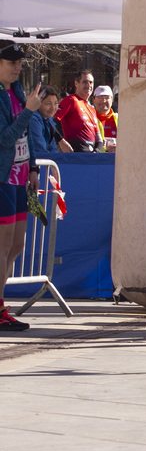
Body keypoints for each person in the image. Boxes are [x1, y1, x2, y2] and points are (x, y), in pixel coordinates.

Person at [0, 41, 44, 331]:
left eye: (19, 63)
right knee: (2, 247)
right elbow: (4, 139)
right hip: (2, 179)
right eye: (11, 63)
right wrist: (29, 111)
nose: (17, 68)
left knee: (17, 245)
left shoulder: (16, 92)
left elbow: (24, 136)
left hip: (19, 179)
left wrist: (33, 168)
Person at [56, 69, 103, 152]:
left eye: (91, 82)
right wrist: (61, 141)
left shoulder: (92, 109)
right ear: (76, 83)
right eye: (85, 82)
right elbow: (51, 121)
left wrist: (97, 151)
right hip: (75, 156)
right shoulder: (71, 100)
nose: (88, 85)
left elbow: (99, 139)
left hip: (91, 156)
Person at [28, 85, 71, 154]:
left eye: (56, 103)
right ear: (37, 103)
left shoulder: (48, 120)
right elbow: (40, 151)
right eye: (48, 104)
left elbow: (52, 149)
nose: (53, 108)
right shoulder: (33, 120)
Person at [92, 85, 117, 151]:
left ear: (112, 100)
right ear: (93, 100)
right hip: (94, 159)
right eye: (100, 97)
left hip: (115, 160)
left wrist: (119, 148)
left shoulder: (120, 119)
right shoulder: (88, 119)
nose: (103, 101)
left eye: (107, 97)